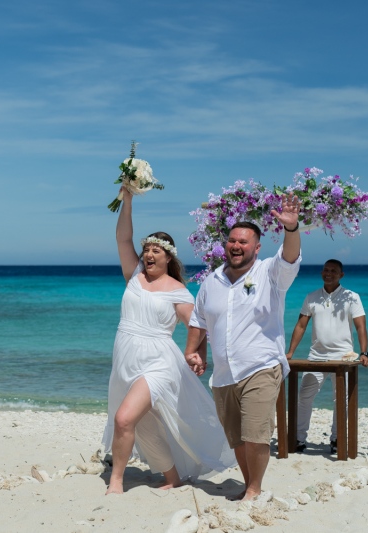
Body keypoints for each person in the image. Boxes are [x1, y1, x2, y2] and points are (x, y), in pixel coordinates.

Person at [102, 187, 235, 495]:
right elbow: (123, 238)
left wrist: (196, 353)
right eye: (146, 249)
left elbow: (197, 323)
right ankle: (172, 477)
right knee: (144, 424)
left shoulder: (177, 290)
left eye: (155, 251)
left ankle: (117, 482)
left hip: (159, 361)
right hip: (125, 356)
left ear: (167, 256)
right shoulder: (134, 275)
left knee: (124, 419)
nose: (148, 254)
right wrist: (128, 200)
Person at [184, 193, 301, 502]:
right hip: (223, 375)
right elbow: (199, 320)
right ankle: (250, 486)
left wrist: (291, 229)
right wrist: (193, 351)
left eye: (243, 242)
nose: (236, 246)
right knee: (236, 437)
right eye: (232, 241)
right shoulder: (212, 281)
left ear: (257, 247)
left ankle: (254, 489)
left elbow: (290, 258)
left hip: (260, 366)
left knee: (255, 433)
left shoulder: (270, 274)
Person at [285, 259, 368, 454]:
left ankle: (337, 439)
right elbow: (300, 325)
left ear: (341, 275)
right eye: (325, 270)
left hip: (344, 357)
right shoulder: (311, 297)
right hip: (316, 356)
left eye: (333, 270)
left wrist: (364, 352)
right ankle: (298, 438)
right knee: (304, 397)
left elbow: (360, 326)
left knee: (340, 399)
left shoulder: (352, 297)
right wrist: (290, 352)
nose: (328, 273)